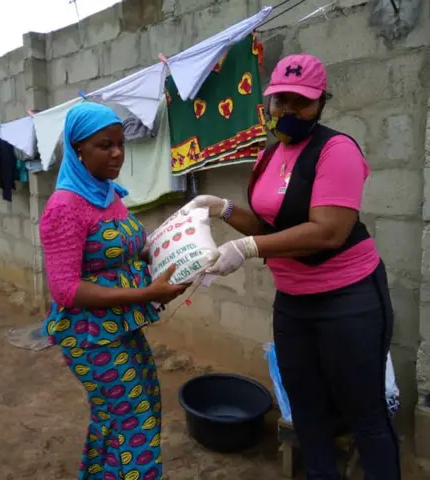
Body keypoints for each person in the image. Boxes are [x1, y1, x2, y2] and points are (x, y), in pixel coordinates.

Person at [189, 54, 401, 479]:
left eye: (299, 102)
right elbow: (271, 224)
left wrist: (247, 249)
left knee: (364, 412)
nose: (287, 111)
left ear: (321, 102)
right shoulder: (270, 156)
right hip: (294, 303)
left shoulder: (336, 150)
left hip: (348, 301)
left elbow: (327, 232)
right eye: (279, 100)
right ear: (267, 103)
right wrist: (222, 208)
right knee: (306, 409)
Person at [40, 102, 187, 480]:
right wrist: (145, 294)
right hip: (89, 337)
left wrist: (184, 246)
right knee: (134, 427)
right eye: (105, 145)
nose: (118, 153)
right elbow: (65, 290)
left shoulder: (108, 194)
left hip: (120, 327)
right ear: (78, 151)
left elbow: (129, 249)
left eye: (121, 143)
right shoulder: (65, 207)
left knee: (131, 413)